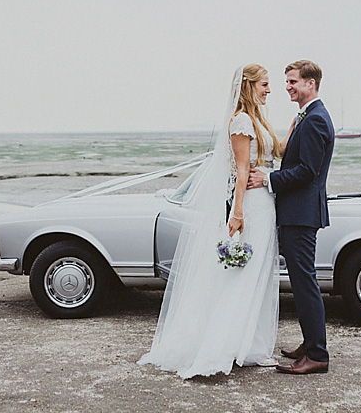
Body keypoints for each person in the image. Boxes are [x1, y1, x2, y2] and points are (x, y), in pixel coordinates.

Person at [138, 64, 292, 378]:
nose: (269, 89)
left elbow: (276, 151)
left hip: (266, 203)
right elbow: (242, 171)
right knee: (244, 276)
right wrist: (237, 214)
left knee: (260, 275)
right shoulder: (241, 121)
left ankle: (252, 346)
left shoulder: (259, 119)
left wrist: (300, 119)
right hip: (250, 206)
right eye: (264, 84)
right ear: (249, 86)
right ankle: (224, 344)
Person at [248, 59, 334, 375]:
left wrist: (267, 179)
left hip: (301, 213)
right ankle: (310, 344)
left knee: (304, 282)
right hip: (298, 211)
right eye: (286, 82)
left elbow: (307, 171)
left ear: (310, 83)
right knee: (301, 282)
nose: (287, 87)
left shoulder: (314, 120)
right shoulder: (308, 116)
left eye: (293, 81)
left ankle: (317, 355)